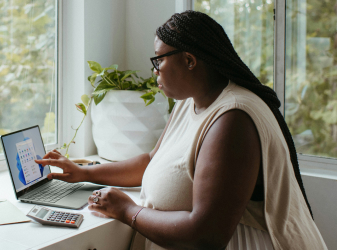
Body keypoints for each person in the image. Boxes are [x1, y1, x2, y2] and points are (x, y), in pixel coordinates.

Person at [35, 10, 327, 250]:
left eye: (159, 59)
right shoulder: (192, 102)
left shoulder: (233, 119)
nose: (155, 70)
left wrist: (127, 211)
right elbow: (152, 160)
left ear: (189, 60)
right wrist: (84, 173)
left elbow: (206, 236)